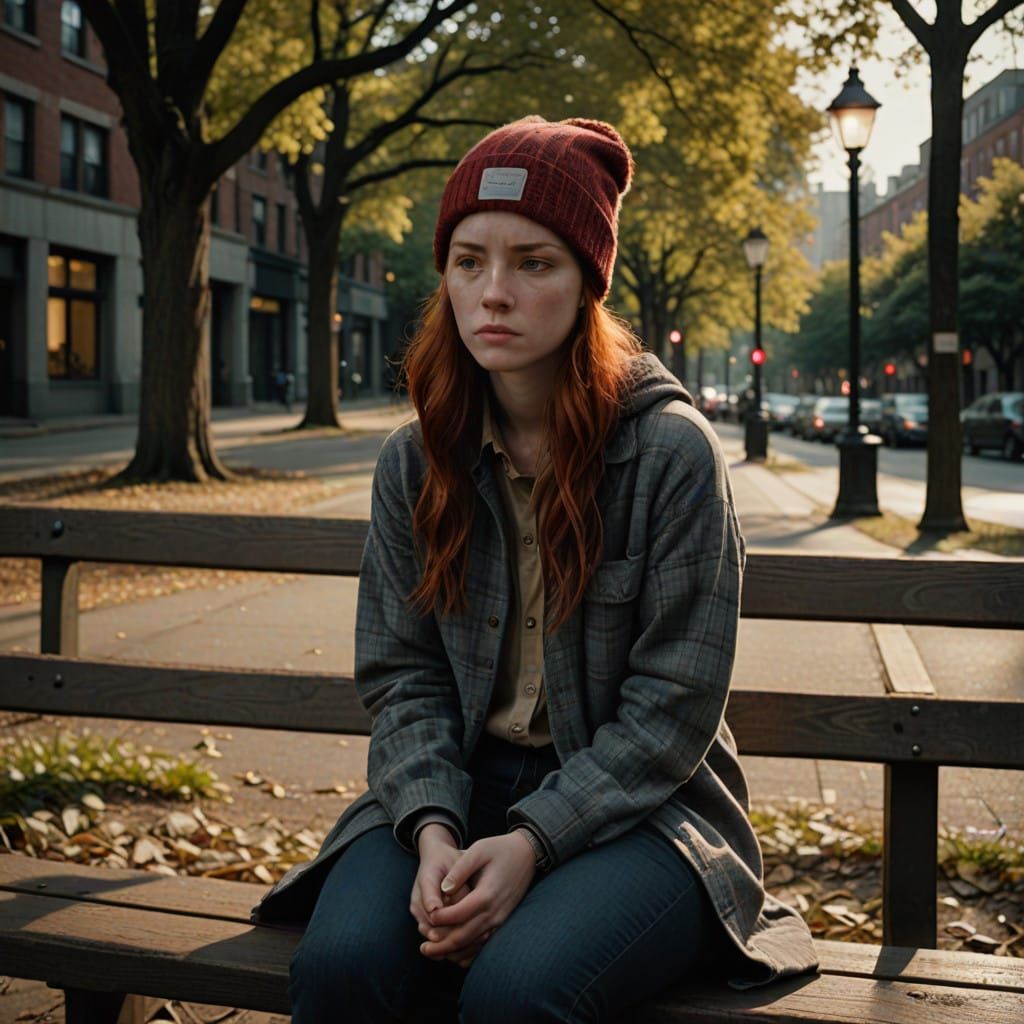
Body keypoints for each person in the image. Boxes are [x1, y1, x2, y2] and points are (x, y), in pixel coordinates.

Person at [254, 116, 816, 1022]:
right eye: (469, 260)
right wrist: (433, 826)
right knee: (346, 966)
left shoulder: (671, 454)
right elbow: (403, 676)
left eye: (535, 262)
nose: (494, 293)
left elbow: (672, 711)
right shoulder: (416, 458)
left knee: (519, 991)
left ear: (589, 281)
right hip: (454, 783)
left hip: (643, 812)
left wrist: (531, 843)